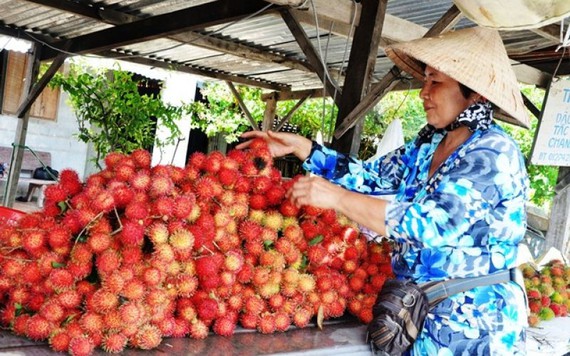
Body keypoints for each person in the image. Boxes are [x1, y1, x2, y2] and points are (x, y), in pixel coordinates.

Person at [238, 26, 530, 355]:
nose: (424, 92)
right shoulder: (428, 143)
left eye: (436, 81)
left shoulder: (492, 154)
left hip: (475, 326)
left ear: (475, 93)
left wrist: (336, 198)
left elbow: (430, 225)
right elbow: (371, 177)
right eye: (425, 79)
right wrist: (305, 149)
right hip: (421, 314)